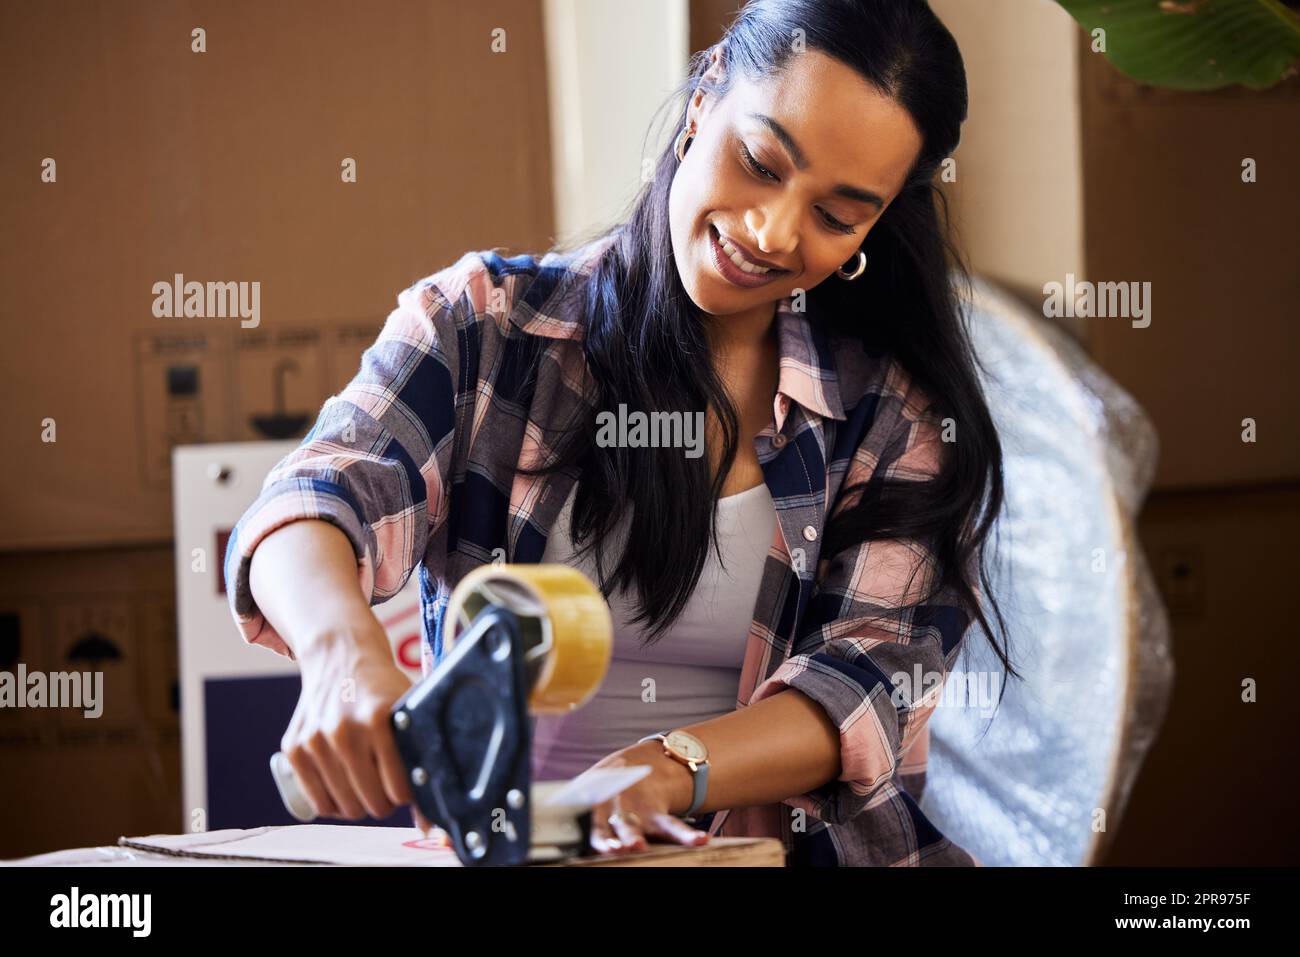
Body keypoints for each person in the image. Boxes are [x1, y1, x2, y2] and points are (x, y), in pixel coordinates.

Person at [223, 0, 1015, 866]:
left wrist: (665, 770)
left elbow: (861, 686)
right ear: (707, 94)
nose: (773, 231)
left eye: (837, 216)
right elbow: (319, 494)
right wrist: (342, 651)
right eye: (760, 162)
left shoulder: (893, 416)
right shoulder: (485, 329)